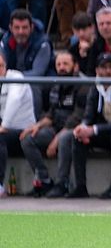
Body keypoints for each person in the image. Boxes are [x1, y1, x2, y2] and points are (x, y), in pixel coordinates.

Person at [20, 51, 84, 197]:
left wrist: (56, 140)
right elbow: (51, 114)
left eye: (65, 64)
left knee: (64, 139)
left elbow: (77, 118)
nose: (61, 68)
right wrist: (37, 126)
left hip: (76, 130)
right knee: (27, 138)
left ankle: (62, 183)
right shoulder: (56, 85)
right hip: (55, 128)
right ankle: (44, 180)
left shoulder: (83, 86)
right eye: (58, 64)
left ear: (75, 66)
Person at [72, 52, 111, 199]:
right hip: (102, 131)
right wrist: (83, 128)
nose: (107, 71)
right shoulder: (95, 88)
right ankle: (80, 187)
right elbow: (88, 116)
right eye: (103, 67)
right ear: (97, 70)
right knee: (76, 138)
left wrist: (93, 130)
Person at [0, 52, 35, 192]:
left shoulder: (16, 77)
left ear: (5, 66)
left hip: (22, 130)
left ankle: (0, 185)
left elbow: (14, 100)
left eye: (0, 66)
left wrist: (4, 126)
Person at [1, 9, 53, 77]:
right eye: (17, 27)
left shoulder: (43, 44)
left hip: (37, 82)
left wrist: (13, 76)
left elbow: (38, 73)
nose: (21, 32)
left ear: (31, 27)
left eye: (25, 27)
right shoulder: (5, 42)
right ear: (11, 28)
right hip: (10, 81)